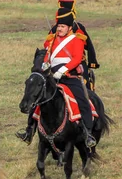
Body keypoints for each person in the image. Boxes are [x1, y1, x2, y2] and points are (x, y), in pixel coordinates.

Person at [16, 8, 96, 148]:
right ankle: (30, 130)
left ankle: (88, 132)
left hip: (70, 77)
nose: (59, 29)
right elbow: (48, 56)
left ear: (69, 28)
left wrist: (63, 70)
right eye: (58, 26)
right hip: (52, 77)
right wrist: (46, 65)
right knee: (37, 96)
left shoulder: (77, 40)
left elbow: (77, 58)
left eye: (62, 27)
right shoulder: (52, 40)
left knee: (82, 99)